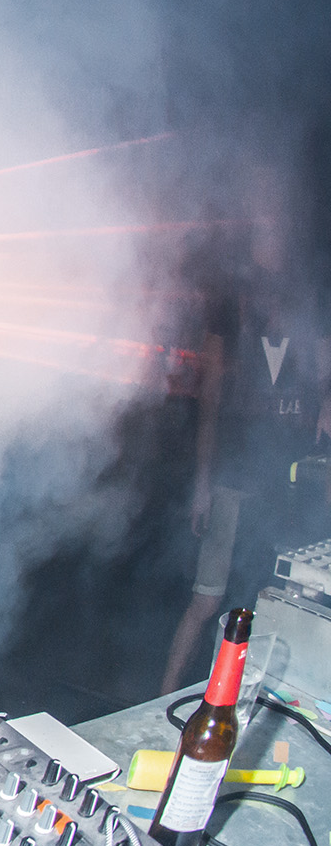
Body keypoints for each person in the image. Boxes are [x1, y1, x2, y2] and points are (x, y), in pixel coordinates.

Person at [160, 166, 330, 695]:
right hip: (234, 478)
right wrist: (202, 482)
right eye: (264, 214)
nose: (272, 224)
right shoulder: (231, 298)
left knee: (267, 600)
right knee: (207, 598)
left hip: (285, 478)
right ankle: (161, 699)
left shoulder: (304, 294)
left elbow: (323, 363)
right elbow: (210, 395)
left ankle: (239, 702)